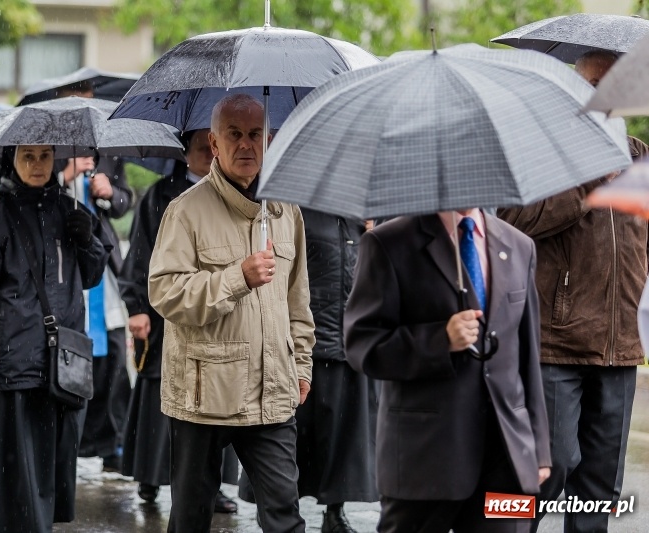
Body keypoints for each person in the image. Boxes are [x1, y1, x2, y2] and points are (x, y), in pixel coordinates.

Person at [148, 93, 315, 532]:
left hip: (273, 390)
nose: (246, 145)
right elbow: (165, 293)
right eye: (235, 135)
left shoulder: (286, 210)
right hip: (203, 394)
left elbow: (298, 299)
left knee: (285, 517)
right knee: (191, 517)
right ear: (214, 143)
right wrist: (236, 277)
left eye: (256, 135)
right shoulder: (185, 211)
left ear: (270, 140)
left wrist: (302, 364)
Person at [498, 50, 649, 533]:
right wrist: (587, 186)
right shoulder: (544, 153)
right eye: (591, 85)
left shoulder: (640, 157)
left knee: (600, 489)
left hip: (622, 348)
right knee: (548, 468)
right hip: (555, 345)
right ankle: (499, 523)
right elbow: (512, 221)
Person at [345, 208, 551, 533]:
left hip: (508, 457)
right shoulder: (387, 243)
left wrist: (538, 447)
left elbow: (527, 355)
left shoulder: (519, 245)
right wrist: (439, 339)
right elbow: (362, 347)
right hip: (423, 459)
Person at [0, 145, 111, 533]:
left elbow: (90, 276)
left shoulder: (70, 209)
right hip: (14, 362)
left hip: (63, 365)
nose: (37, 164)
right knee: (16, 473)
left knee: (50, 470)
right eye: (28, 156)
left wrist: (89, 238)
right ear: (13, 160)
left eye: (45, 155)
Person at [119, 128, 241, 512]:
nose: (209, 155)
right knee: (160, 394)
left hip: (217, 314)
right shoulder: (161, 196)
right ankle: (151, 475)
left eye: (214, 148)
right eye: (202, 149)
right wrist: (136, 307)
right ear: (184, 154)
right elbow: (139, 256)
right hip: (165, 314)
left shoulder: (234, 194)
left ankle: (212, 483)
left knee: (214, 396)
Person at [238, 211, 378, 533]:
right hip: (308, 344)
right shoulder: (299, 215)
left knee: (343, 439)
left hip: (351, 344)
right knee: (294, 437)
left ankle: (335, 511)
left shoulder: (363, 221)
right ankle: (275, 508)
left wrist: (374, 233)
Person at [59, 155, 133, 472]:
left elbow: (123, 202)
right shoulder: (47, 153)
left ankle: (110, 443)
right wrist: (64, 175)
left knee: (112, 360)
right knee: (69, 360)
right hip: (63, 263)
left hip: (102, 264)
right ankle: (69, 444)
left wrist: (109, 192)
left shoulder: (110, 155)